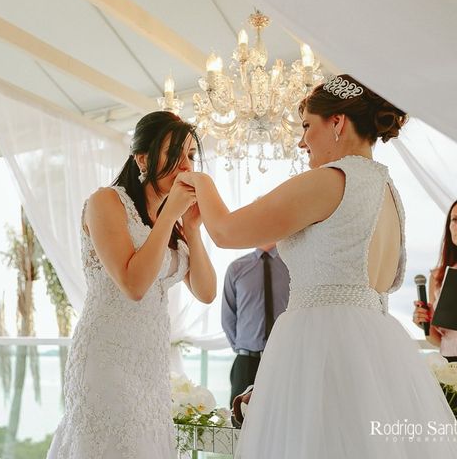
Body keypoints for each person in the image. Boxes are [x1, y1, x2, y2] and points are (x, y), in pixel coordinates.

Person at [177, 75, 457, 457]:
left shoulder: (330, 180)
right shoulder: (389, 192)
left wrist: (200, 180)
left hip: (321, 342)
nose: (301, 140)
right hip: (376, 350)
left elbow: (226, 232)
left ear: (337, 123)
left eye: (307, 126)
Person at [46, 111, 217, 459]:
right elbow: (133, 284)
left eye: (190, 155)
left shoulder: (171, 223)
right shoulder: (105, 202)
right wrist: (170, 216)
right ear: (142, 158)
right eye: (175, 154)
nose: (186, 165)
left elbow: (206, 291)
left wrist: (193, 229)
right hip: (107, 357)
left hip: (150, 363)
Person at [222, 243, 289, 410]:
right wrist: (243, 347)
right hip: (246, 361)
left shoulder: (291, 266)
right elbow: (228, 316)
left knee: (282, 414)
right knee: (240, 420)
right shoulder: (236, 268)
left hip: (284, 359)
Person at [413, 200, 457, 360]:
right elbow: (438, 340)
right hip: (449, 363)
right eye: (454, 219)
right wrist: (425, 322)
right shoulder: (437, 276)